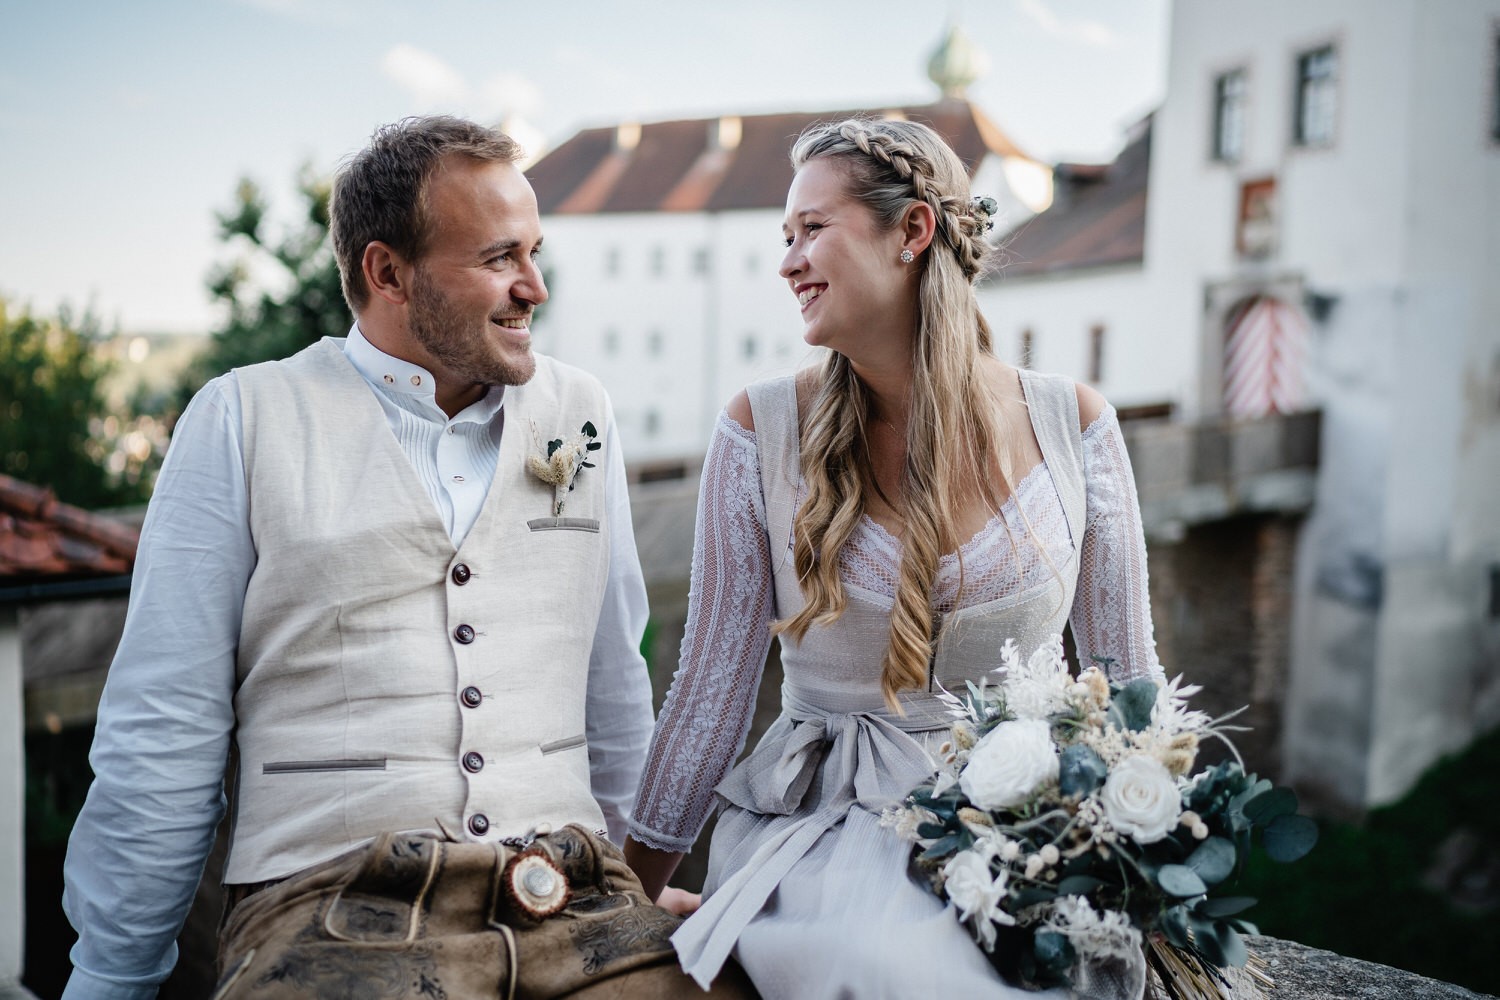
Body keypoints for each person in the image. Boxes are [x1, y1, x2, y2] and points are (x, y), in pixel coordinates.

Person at [61, 115, 746, 1000]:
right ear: (388, 272)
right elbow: (164, 729)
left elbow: (614, 688)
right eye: (501, 258)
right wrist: (111, 978)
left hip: (575, 900)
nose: (535, 287)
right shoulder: (242, 419)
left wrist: (638, 901)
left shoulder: (582, 412)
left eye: (535, 253)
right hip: (333, 910)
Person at [623, 117, 1166, 998]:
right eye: (785, 236)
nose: (788, 261)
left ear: (912, 232)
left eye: (812, 230)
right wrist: (622, 903)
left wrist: (1167, 869)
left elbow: (1127, 680)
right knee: (898, 972)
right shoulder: (760, 431)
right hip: (826, 836)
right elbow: (709, 697)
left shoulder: (1076, 425)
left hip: (1024, 829)